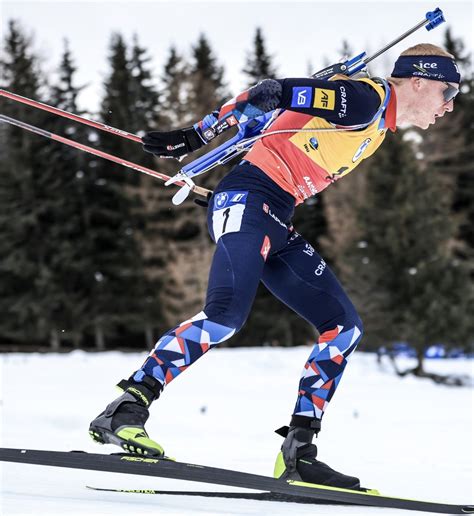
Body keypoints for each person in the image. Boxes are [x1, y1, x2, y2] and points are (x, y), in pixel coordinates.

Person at [89, 44, 460, 489]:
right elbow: (275, 92)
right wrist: (196, 134)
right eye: (446, 92)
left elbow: (274, 118)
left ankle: (299, 452)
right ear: (417, 81)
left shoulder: (377, 124)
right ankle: (127, 407)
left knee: (344, 327)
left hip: (274, 215)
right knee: (225, 315)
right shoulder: (364, 100)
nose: (449, 105)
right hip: (246, 201)